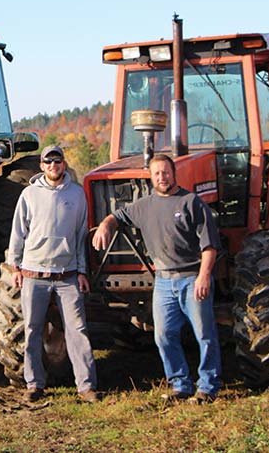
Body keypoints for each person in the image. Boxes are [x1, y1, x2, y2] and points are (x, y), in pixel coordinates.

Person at [92, 154, 221, 404]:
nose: (162, 177)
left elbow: (210, 246)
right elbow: (118, 216)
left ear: (174, 173)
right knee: (163, 335)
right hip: (162, 281)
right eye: (157, 174)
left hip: (191, 277)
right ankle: (180, 385)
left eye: (166, 172)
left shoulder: (191, 202)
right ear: (151, 178)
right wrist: (105, 225)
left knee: (204, 334)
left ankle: (208, 386)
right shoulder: (144, 206)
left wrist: (204, 276)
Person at [7, 145, 98, 403]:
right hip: (34, 274)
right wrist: (15, 266)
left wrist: (81, 271)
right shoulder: (29, 195)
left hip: (67, 276)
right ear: (42, 166)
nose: (53, 166)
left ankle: (86, 386)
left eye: (57, 161)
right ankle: (34, 383)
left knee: (77, 329)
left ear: (63, 164)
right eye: (48, 162)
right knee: (32, 329)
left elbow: (81, 235)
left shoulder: (77, 195)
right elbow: (18, 233)